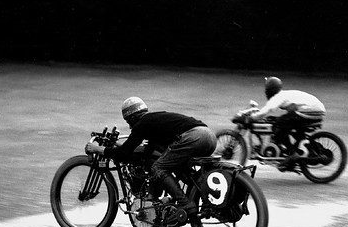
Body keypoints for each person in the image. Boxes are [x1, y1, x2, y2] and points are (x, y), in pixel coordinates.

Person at [85, 96, 217, 218]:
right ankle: (195, 198)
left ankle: (185, 204)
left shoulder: (143, 123)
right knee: (175, 165)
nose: (130, 127)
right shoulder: (155, 121)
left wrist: (98, 149)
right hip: (209, 137)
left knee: (158, 168)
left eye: (128, 122)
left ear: (132, 117)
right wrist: (121, 146)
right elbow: (146, 151)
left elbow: (123, 154)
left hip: (193, 137)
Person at [248, 76, 326, 164]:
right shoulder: (285, 94)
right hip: (317, 110)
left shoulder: (278, 97)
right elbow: (291, 111)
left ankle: (292, 153)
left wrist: (252, 117)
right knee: (285, 122)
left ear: (270, 91)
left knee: (278, 127)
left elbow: (267, 110)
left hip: (309, 111)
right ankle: (302, 149)